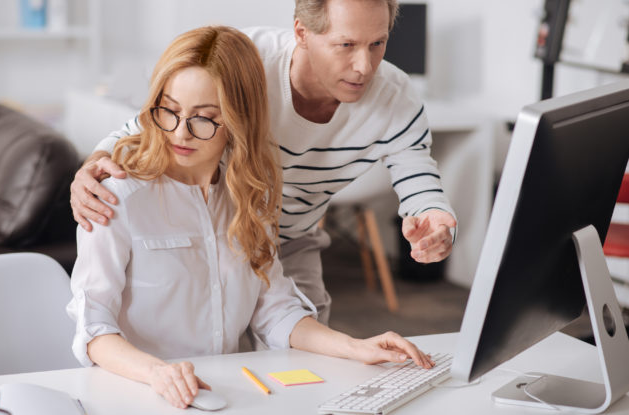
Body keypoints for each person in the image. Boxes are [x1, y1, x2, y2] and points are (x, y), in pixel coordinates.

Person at [66, 25, 435, 410]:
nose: (181, 133)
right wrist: (158, 373)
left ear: (239, 120)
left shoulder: (250, 198)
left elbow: (274, 310)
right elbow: (93, 329)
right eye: (169, 111)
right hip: (134, 394)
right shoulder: (115, 196)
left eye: (205, 118)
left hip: (221, 394)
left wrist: (355, 347)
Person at [69, 0, 457, 324]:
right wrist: (95, 163)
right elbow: (161, 118)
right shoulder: (246, 59)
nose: (364, 66)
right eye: (346, 45)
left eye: (378, 43)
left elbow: (417, 173)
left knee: (307, 344)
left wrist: (434, 218)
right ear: (302, 33)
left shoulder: (396, 100)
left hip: (291, 238)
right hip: (218, 229)